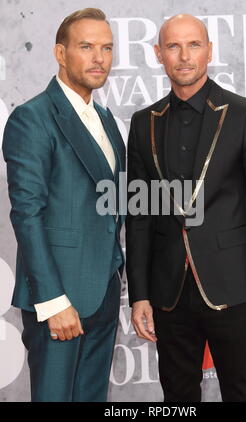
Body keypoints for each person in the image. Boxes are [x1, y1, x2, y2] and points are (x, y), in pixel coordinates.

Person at [126, 14, 246, 402]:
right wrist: (139, 294)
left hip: (234, 288)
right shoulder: (142, 123)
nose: (184, 56)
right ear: (158, 55)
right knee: (178, 399)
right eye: (173, 46)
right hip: (168, 293)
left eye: (194, 45)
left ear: (209, 51)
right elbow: (139, 216)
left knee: (242, 392)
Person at [2, 8, 125, 402]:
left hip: (103, 294)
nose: (98, 58)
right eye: (86, 47)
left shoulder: (106, 120)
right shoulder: (31, 118)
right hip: (58, 302)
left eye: (106, 48)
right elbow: (27, 213)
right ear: (60, 52)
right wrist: (53, 301)